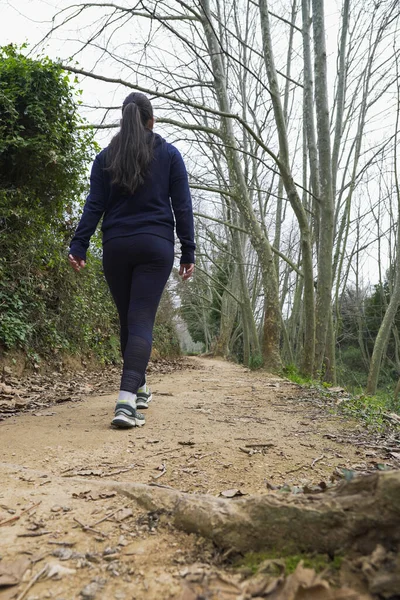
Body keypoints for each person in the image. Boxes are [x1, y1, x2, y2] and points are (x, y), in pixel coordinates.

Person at [68, 92, 195, 429]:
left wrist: (79, 245)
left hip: (117, 247)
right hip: (155, 246)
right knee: (139, 321)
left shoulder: (105, 158)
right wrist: (188, 251)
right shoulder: (168, 153)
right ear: (150, 120)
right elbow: (182, 205)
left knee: (128, 321)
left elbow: (94, 204)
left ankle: (139, 389)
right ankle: (126, 402)